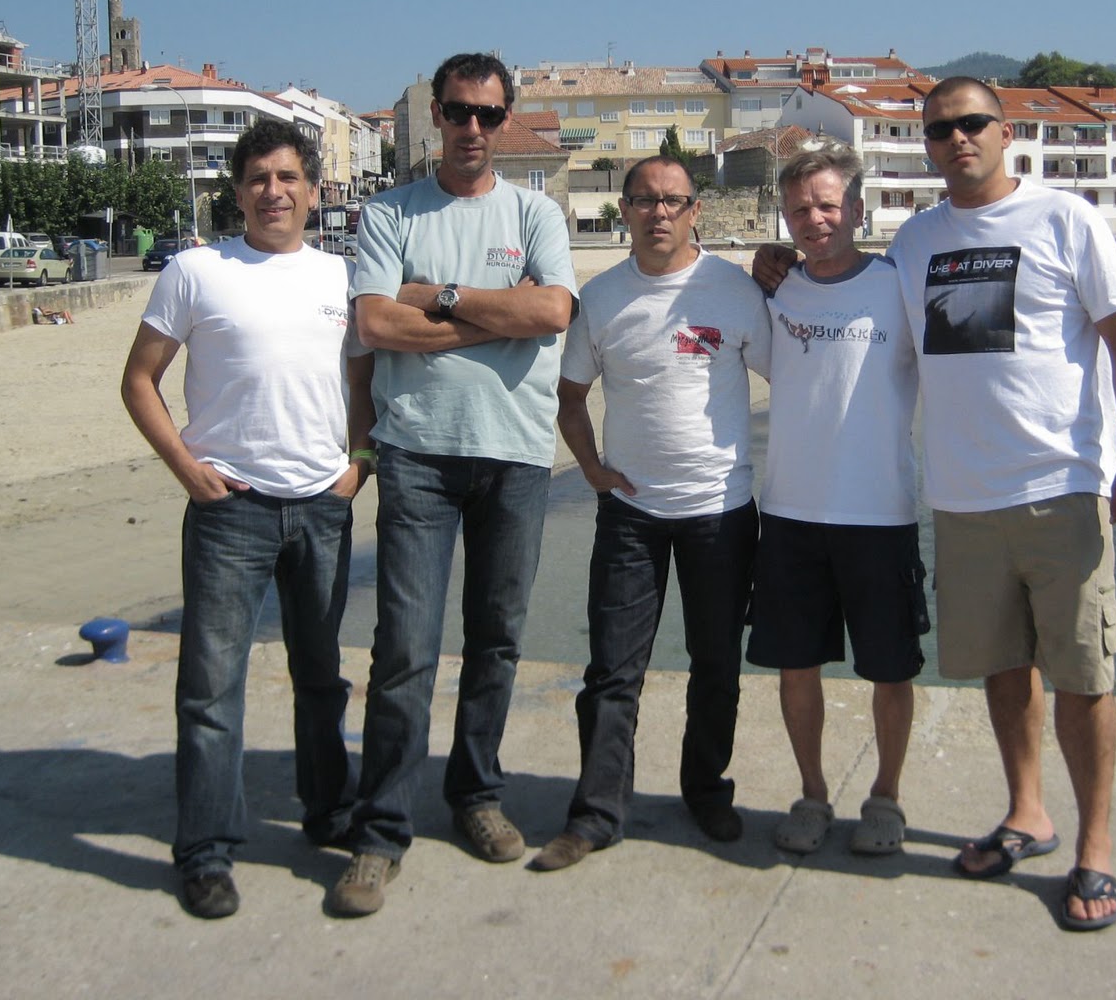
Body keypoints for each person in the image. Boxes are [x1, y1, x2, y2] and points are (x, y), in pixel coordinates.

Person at [892, 77, 1116, 931]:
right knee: (1004, 667)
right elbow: (859, 303)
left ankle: (1096, 849)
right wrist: (780, 264)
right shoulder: (914, 240)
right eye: (940, 130)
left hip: (1062, 486)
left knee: (1083, 675)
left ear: (1006, 132)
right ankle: (1027, 813)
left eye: (973, 123)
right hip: (963, 497)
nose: (957, 139)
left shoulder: (1065, 217)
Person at [331, 52, 577, 917]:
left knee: (497, 638)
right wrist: (492, 316)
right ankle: (379, 831)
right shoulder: (389, 212)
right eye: (459, 111)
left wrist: (433, 300)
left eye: (489, 113)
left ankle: (475, 794)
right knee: (404, 647)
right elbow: (373, 323)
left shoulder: (536, 212)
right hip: (417, 456)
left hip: (516, 454)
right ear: (435, 115)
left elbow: (552, 312)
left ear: (506, 120)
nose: (473, 127)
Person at [121, 118, 374, 920]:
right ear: (237, 191)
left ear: (314, 191)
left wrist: (359, 464)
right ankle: (205, 851)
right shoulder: (196, 271)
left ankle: (328, 809)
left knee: (321, 678)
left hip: (322, 507)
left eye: (288, 177)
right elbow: (138, 380)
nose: (274, 191)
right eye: (259, 178)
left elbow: (364, 382)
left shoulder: (342, 277)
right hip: (228, 511)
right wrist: (185, 467)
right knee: (210, 687)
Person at [530, 155, 771, 872]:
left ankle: (706, 791)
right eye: (643, 200)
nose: (658, 213)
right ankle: (596, 813)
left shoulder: (734, 291)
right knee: (612, 670)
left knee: (716, 665)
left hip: (721, 512)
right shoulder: (603, 297)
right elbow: (571, 397)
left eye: (673, 201)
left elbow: (792, 376)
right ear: (625, 211)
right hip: (630, 515)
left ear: (695, 210)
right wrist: (593, 471)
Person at [747, 143, 929, 859]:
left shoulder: (899, 287)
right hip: (790, 513)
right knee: (797, 666)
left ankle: (886, 796)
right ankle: (813, 793)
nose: (814, 219)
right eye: (799, 209)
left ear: (856, 209)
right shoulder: (774, 289)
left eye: (827, 205)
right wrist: (763, 265)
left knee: (891, 669)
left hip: (879, 513)